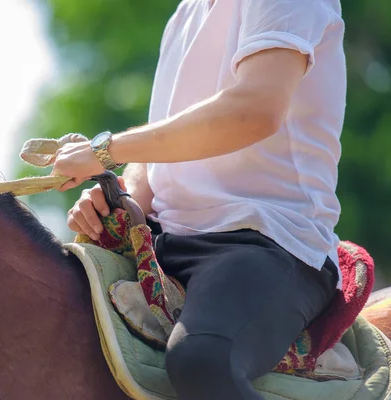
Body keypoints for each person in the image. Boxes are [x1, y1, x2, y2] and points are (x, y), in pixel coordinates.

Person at [51, 0, 346, 398]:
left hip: (268, 241)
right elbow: (156, 152)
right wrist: (117, 198)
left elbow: (255, 110)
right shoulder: (185, 13)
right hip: (167, 236)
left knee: (203, 358)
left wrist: (105, 150)